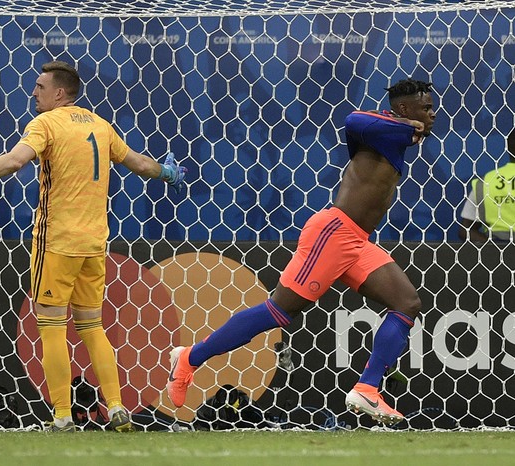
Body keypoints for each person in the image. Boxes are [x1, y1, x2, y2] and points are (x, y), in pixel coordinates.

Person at [0, 60, 186, 432]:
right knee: (92, 326)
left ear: (59, 93)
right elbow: (141, 165)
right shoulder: (101, 125)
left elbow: (16, 161)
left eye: (39, 86)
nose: (34, 92)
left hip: (57, 243)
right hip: (94, 244)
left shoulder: (45, 124)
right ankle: (116, 407)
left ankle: (63, 415)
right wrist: (168, 172)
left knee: (50, 327)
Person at [167, 78, 436, 426]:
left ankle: (368, 389)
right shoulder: (383, 127)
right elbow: (352, 120)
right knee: (277, 312)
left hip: (357, 241)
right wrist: (404, 125)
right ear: (403, 109)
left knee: (407, 303)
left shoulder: (399, 135)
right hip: (333, 233)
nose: (432, 114)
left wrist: (408, 129)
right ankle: (190, 357)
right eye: (426, 108)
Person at [458, 130, 515, 243]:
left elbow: (465, 230)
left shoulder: (485, 182)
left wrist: (495, 249)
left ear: (508, 148)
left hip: (496, 257)